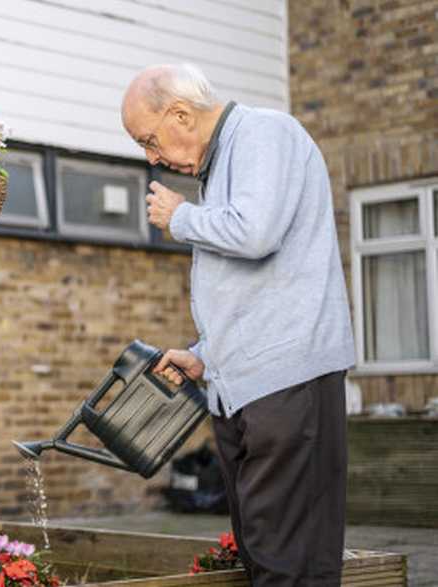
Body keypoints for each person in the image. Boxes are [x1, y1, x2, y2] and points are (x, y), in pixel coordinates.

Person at [120, 64, 355, 586]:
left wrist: (181, 218)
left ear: (181, 113)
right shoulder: (225, 161)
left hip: (287, 383)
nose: (151, 157)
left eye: (149, 140)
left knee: (287, 561)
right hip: (248, 387)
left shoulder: (264, 133)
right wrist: (205, 354)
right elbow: (255, 288)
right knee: (266, 554)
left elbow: (255, 233)